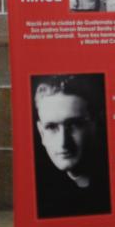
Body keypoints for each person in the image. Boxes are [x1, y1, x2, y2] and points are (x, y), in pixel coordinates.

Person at [33, 74, 111, 219]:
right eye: (51, 127)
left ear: (98, 124)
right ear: (41, 133)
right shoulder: (43, 196)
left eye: (74, 125)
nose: (63, 142)